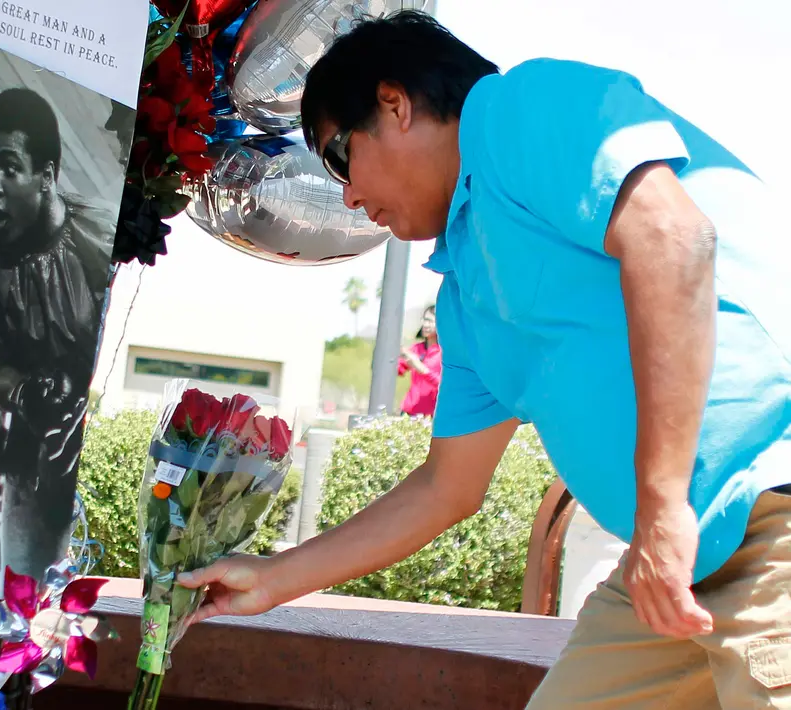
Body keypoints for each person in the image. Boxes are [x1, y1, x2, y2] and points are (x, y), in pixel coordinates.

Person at [178, 11, 791, 709]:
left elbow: (673, 238)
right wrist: (273, 579)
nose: (345, 195)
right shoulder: (467, 293)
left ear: (394, 104)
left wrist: (660, 515)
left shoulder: (521, 108)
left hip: (766, 520)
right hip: (671, 565)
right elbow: (446, 487)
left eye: (338, 157)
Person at [0, 87, 114, 580]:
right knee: (21, 588)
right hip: (27, 454)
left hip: (96, 452)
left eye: (9, 166)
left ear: (46, 177)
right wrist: (25, 392)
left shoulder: (101, 240)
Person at [397, 305, 441, 417]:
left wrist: (421, 368)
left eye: (431, 321)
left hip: (431, 416)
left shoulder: (446, 353)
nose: (426, 325)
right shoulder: (416, 348)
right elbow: (398, 369)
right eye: (425, 320)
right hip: (408, 413)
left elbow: (443, 384)